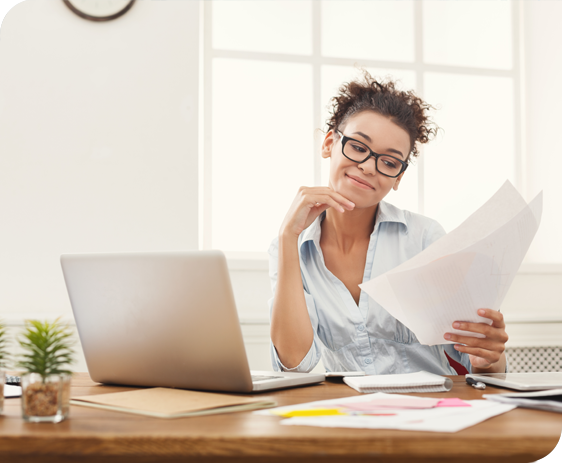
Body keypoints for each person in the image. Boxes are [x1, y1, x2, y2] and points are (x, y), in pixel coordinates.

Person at [268, 72, 508, 375]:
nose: (368, 167)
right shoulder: (290, 248)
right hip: (349, 413)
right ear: (329, 143)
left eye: (390, 162)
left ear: (398, 177)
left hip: (431, 411)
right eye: (357, 146)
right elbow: (294, 363)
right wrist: (288, 236)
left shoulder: (425, 239)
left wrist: (490, 357)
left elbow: (475, 364)